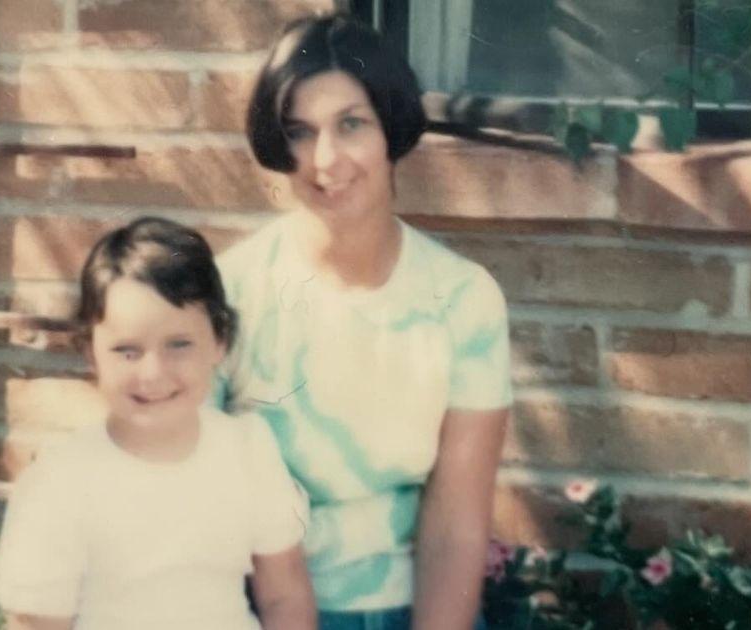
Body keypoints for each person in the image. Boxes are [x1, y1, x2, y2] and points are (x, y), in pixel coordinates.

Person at [216, 14, 512, 630]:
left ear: (390, 129)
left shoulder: (463, 300)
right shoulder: (230, 294)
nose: (326, 160)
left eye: (351, 124)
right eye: (299, 132)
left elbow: (456, 525)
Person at [0, 217, 317, 630]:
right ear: (91, 354)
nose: (153, 373)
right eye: (127, 350)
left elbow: (285, 595)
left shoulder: (246, 450)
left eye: (178, 345)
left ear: (220, 340)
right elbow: (37, 624)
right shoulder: (62, 478)